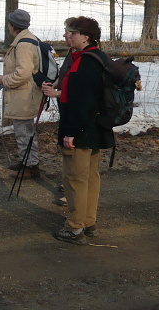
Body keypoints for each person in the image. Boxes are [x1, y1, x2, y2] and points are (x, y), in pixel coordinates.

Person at [51, 16, 114, 245]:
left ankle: (75, 228)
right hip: (96, 129)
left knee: (75, 179)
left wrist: (71, 133)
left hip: (81, 130)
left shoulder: (84, 62)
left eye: (72, 32)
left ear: (86, 36)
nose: (68, 35)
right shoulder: (99, 57)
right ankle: (88, 222)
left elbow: (81, 102)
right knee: (89, 177)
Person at [0, 9, 43, 178]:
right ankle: (27, 162)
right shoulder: (28, 40)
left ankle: (30, 167)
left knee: (24, 131)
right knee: (25, 131)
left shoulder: (23, 44)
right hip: (25, 94)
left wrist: (4, 80)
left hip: (24, 96)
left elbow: (23, 73)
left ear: (13, 25)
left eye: (9, 23)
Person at [42, 17, 76, 206]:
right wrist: (54, 84)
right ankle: (68, 182)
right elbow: (66, 76)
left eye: (69, 32)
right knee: (66, 147)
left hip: (74, 109)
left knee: (74, 148)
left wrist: (56, 93)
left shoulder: (85, 57)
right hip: (66, 105)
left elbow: (80, 89)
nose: (64, 34)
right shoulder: (73, 52)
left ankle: (73, 192)